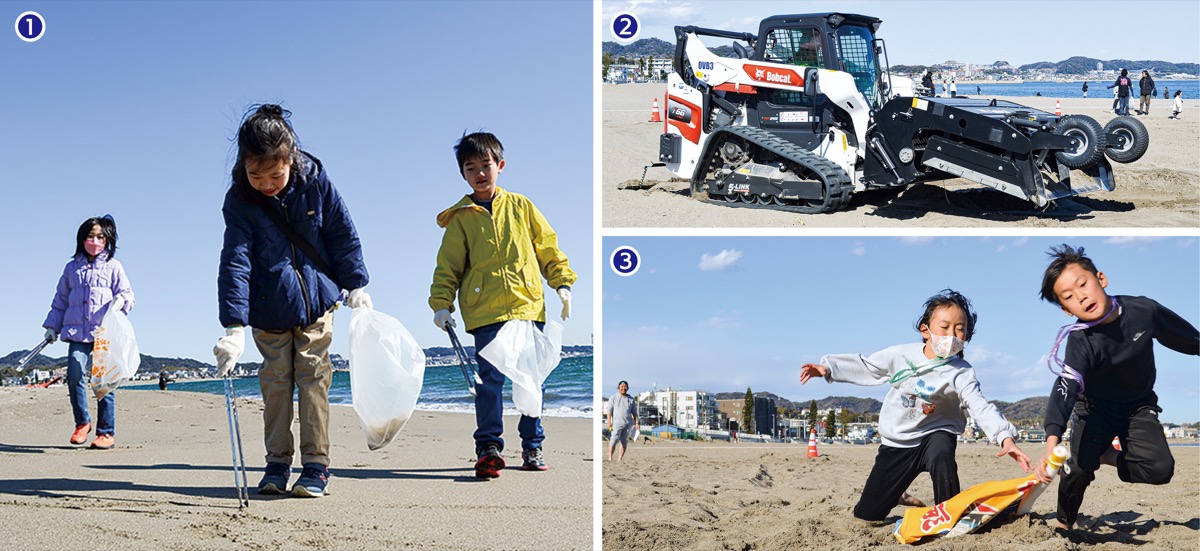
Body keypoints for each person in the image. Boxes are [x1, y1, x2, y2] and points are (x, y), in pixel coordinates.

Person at [214, 104, 371, 498]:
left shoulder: (316, 182)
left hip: (317, 302)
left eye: (275, 174)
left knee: (314, 377)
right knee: (276, 384)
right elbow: (235, 260)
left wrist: (355, 285)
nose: (266, 183)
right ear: (243, 166)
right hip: (268, 309)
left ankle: (316, 465)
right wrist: (233, 325)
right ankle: (277, 463)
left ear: (290, 157)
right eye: (256, 175)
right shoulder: (239, 201)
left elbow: (341, 233)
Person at [799, 289, 1031, 521]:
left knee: (942, 455)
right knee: (867, 515)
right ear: (925, 330)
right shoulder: (901, 355)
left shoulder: (962, 372)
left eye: (960, 329)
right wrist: (828, 368)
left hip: (936, 433)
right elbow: (867, 366)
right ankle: (899, 494)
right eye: (944, 327)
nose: (952, 335)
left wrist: (1004, 437)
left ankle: (949, 514)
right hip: (898, 442)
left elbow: (979, 405)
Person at [429, 131, 576, 478]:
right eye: (471, 168)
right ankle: (489, 447)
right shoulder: (461, 219)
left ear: (500, 165)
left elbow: (548, 248)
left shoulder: (522, 206)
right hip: (485, 311)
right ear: (462, 173)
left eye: (486, 165)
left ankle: (532, 447)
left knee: (529, 381)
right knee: (489, 382)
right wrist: (441, 304)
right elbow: (447, 266)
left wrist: (562, 283)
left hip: (528, 307)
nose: (480, 173)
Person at [1033, 245, 1198, 535]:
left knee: (1161, 470)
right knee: (1078, 470)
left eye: (1083, 284)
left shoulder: (1143, 310)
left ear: (1101, 278)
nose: (1081, 296)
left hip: (1138, 406)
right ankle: (1063, 521)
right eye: (1069, 297)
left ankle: (1105, 455)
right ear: (1064, 308)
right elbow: (1065, 388)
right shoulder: (1081, 341)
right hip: (1094, 409)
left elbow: (1187, 338)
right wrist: (1051, 443)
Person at [42, 215, 135, 450]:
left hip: (104, 334)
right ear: (82, 239)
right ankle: (82, 422)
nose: (95, 240)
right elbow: (60, 300)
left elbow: (128, 294)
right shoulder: (71, 268)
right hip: (76, 332)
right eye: (90, 236)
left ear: (108, 240)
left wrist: (121, 301)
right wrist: (52, 327)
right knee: (74, 373)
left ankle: (106, 432)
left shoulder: (114, 266)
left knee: (104, 382)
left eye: (100, 237)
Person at [605, 381, 639, 461]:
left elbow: (634, 413)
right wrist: (609, 422)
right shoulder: (613, 397)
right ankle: (610, 458)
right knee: (613, 440)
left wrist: (637, 423)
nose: (623, 388)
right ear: (618, 388)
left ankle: (620, 458)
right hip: (617, 423)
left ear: (628, 388)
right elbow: (609, 411)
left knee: (624, 441)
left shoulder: (631, 399)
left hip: (628, 424)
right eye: (622, 386)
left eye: (625, 387)